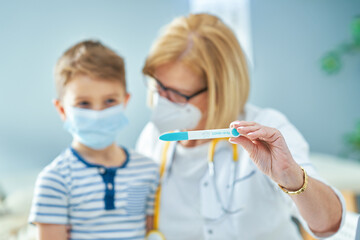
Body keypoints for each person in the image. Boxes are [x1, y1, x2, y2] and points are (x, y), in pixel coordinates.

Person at [136, 14, 345, 240]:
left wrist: (289, 175)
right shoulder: (153, 137)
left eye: (177, 94)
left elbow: (328, 225)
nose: (163, 100)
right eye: (158, 86)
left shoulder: (267, 129)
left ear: (219, 91)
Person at [29, 40, 159, 240]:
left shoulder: (148, 171)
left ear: (125, 101)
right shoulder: (55, 181)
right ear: (62, 109)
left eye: (109, 101)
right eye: (83, 103)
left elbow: (151, 233)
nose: (98, 113)